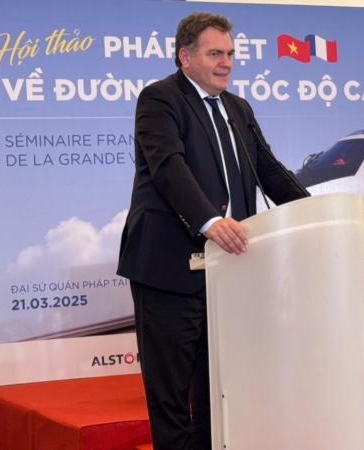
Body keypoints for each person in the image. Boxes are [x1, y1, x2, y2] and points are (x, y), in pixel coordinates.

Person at [116, 12, 309, 450]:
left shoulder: (238, 109)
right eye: (215, 54)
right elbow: (168, 168)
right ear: (186, 57)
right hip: (168, 268)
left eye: (231, 54)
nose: (226, 63)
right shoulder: (160, 99)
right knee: (170, 395)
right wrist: (210, 222)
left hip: (229, 274)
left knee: (218, 389)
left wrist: (318, 213)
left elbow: (269, 170)